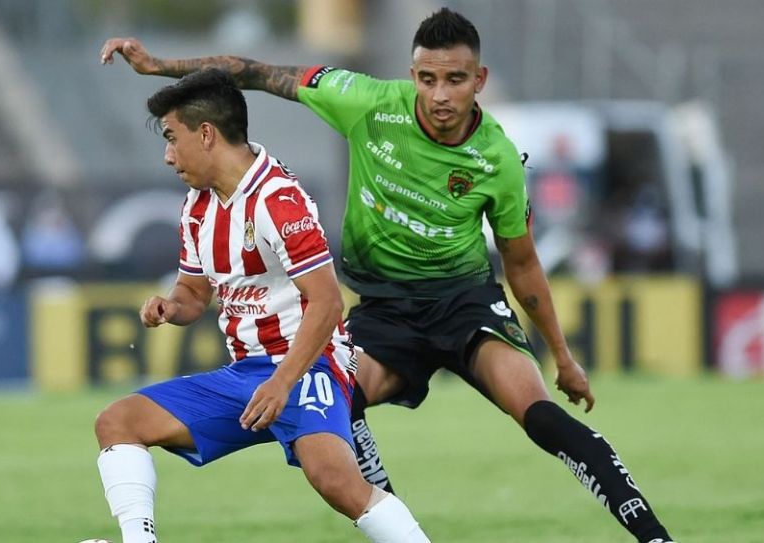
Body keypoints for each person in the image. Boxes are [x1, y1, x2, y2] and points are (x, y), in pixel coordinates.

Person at [101, 8, 680, 543]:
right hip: (382, 312)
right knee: (333, 412)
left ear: (479, 80)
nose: (440, 94)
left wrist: (564, 357)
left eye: (455, 79)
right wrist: (160, 67)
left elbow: (523, 263)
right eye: (427, 78)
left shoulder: (498, 159)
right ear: (412, 74)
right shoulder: (367, 101)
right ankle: (396, 518)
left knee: (538, 416)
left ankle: (654, 536)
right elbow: (251, 70)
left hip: (464, 305)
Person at [92, 69, 431, 543]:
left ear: (206, 134)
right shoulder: (197, 206)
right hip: (249, 376)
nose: (167, 155)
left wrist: (282, 382)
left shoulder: (279, 200)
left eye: (172, 138)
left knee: (335, 480)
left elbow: (328, 303)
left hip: (312, 367)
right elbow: (194, 294)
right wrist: (171, 307)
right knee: (117, 421)